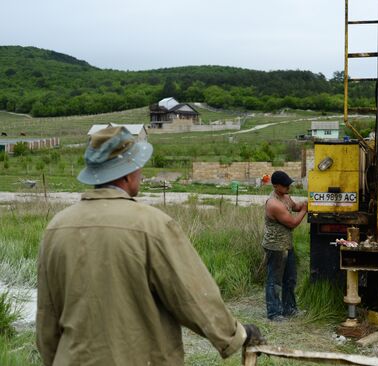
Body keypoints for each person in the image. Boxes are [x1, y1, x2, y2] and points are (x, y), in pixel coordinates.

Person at [36, 126, 264, 365]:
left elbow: (46, 317)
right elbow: (193, 296)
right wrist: (235, 335)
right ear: (126, 173)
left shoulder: (55, 228)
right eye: (138, 165)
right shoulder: (153, 225)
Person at [261, 170, 307, 321]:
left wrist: (305, 204)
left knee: (290, 279)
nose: (289, 186)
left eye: (289, 183)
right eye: (285, 185)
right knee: (274, 281)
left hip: (286, 245)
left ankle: (289, 309)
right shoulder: (273, 204)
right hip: (275, 247)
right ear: (276, 186)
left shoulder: (285, 197)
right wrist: (305, 211)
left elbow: (294, 207)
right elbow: (293, 223)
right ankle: (274, 313)